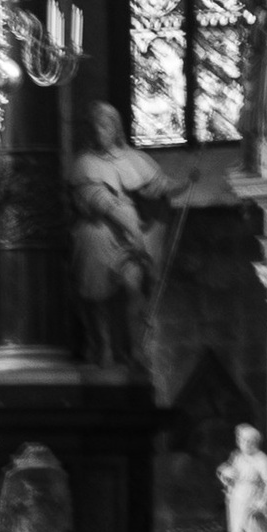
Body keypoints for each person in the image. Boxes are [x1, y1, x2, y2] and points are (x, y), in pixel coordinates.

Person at [69, 102, 166, 371]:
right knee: (96, 296)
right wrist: (129, 227)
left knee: (133, 288)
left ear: (117, 129)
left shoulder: (134, 159)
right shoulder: (84, 164)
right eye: (96, 126)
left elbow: (155, 188)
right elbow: (95, 201)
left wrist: (183, 184)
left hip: (129, 239)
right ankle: (103, 348)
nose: (101, 131)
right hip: (97, 235)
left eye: (106, 125)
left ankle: (135, 350)